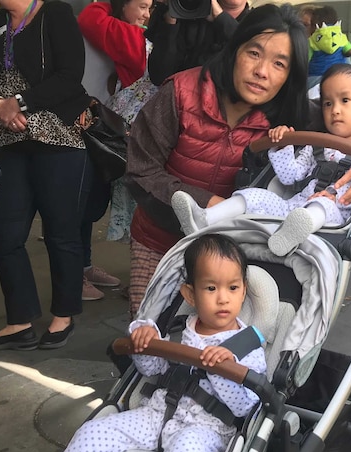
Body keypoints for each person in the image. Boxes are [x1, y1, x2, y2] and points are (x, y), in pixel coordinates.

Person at [120, 3, 311, 317]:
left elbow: (347, 113)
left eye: (280, 63)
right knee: (147, 335)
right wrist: (208, 203)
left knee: (209, 349)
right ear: (235, 50)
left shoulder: (286, 116)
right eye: (254, 53)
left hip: (228, 256)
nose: (262, 71)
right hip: (158, 239)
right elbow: (141, 170)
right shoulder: (181, 92)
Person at [54, 233, 267, 452]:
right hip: (156, 414)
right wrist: (144, 341)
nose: (223, 298)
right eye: (211, 288)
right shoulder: (179, 329)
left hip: (206, 429)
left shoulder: (245, 345)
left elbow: (247, 407)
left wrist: (223, 370)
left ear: (243, 291)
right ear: (190, 294)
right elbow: (152, 368)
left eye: (233, 288)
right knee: (94, 431)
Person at [0, 0, 91, 351]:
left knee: (61, 231)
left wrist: (19, 102)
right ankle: (20, 320)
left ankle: (64, 316)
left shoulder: (56, 13)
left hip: (56, 137)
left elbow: (71, 76)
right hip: (10, 140)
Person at [172, 64, 351, 256]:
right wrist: (283, 145)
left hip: (333, 213)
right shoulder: (315, 147)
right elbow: (290, 177)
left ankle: (290, 235)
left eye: (344, 100)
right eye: (327, 104)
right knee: (255, 195)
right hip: (295, 208)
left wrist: (332, 194)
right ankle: (205, 219)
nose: (335, 110)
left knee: (320, 204)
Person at [77, 0, 153, 300]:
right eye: (142, 6)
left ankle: (84, 270)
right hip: (120, 139)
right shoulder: (145, 40)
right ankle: (81, 268)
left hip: (119, 139)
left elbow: (90, 18)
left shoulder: (135, 40)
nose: (147, 14)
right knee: (89, 203)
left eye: (151, 8)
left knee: (88, 204)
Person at [145, 0, 251, 86]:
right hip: (170, 98)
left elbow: (248, 48)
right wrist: (171, 17)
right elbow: (159, 76)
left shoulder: (258, 26)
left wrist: (221, 18)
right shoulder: (186, 11)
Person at [306, 6, 351, 88]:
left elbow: (303, 62)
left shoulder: (311, 42)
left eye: (307, 25)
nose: (306, 29)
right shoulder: (341, 39)